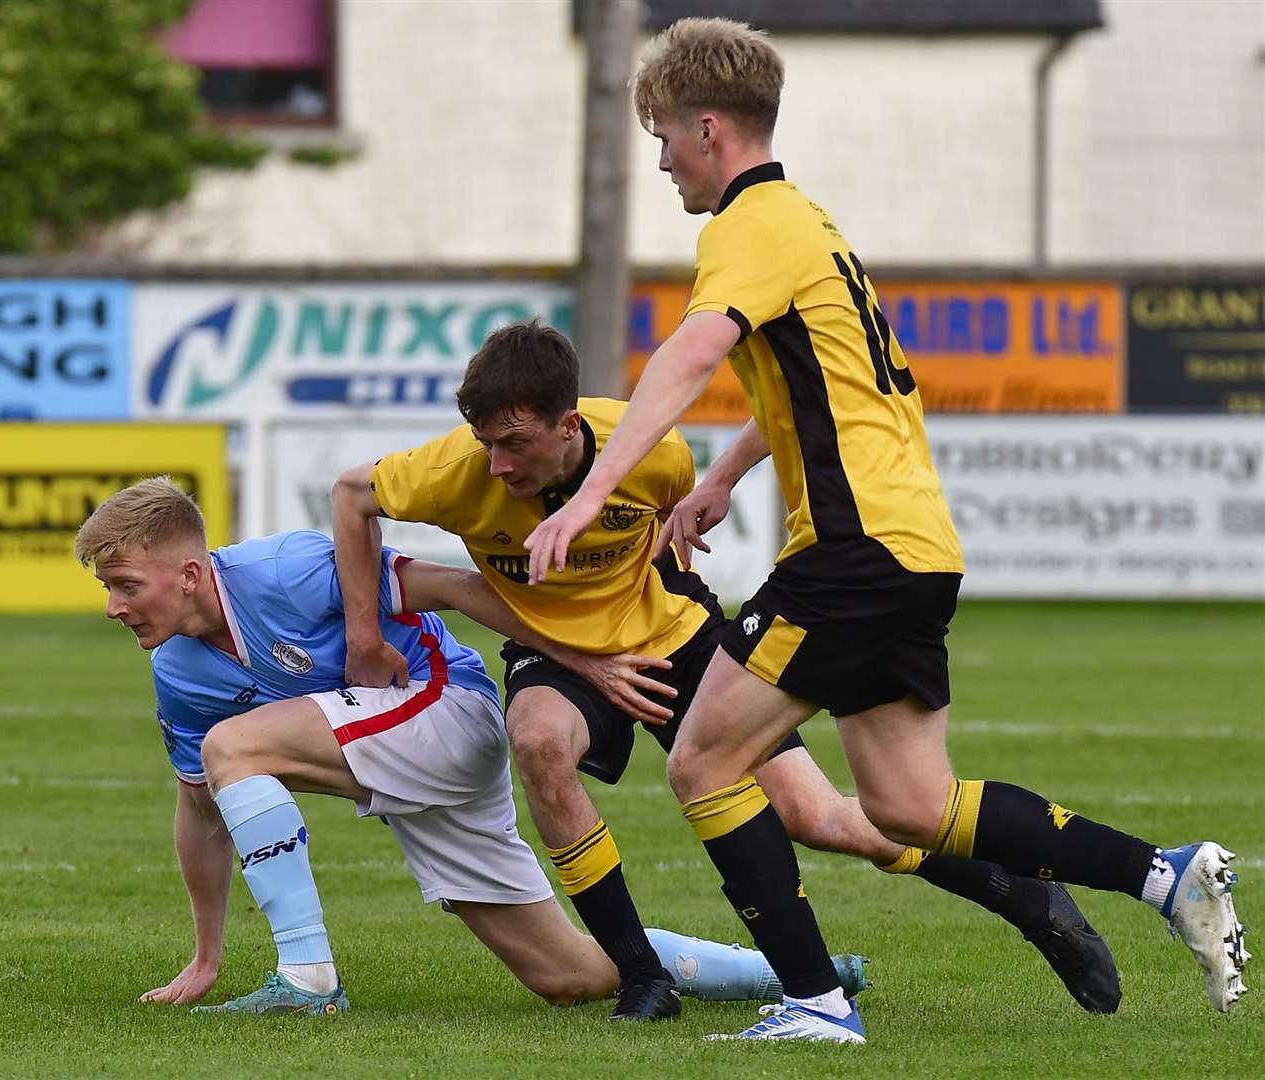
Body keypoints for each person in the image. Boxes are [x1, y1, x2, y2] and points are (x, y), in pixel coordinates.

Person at [520, 17, 1248, 1041]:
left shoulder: (745, 226)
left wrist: (593, 494)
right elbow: (825, 392)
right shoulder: (813, 228)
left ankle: (816, 1002)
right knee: (909, 805)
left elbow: (689, 357)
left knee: (700, 761)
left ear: (713, 129)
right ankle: (1162, 875)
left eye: (668, 136)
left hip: (852, 554)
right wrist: (725, 475)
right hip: (915, 546)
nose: (663, 158)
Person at [333, 321, 1122, 1029]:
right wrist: (367, 635)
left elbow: (672, 512)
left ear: (570, 425)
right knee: (537, 741)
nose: (497, 462)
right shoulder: (451, 472)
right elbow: (350, 495)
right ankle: (642, 977)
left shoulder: (653, 453)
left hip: (672, 634)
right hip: (557, 653)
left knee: (817, 817)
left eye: (515, 442)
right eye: (485, 442)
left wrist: (665, 562)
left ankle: (1021, 895)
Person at [73, 477, 867, 1016]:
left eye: (125, 585)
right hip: (398, 759)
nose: (113, 607)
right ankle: (796, 973)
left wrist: (583, 659)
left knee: (234, 746)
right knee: (569, 975)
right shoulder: (178, 668)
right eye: (107, 588)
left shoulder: (289, 569)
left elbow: (456, 587)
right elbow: (198, 806)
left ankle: (307, 976)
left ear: (185, 573)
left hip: (449, 710)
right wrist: (205, 957)